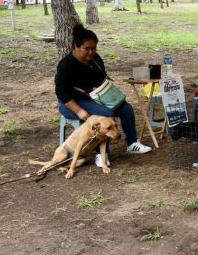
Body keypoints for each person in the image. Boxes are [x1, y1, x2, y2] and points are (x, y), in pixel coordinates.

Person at [55, 24, 152, 166]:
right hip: (72, 103)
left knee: (126, 109)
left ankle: (132, 144)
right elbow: (62, 94)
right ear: (75, 46)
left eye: (94, 48)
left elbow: (101, 80)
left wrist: (112, 96)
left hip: (96, 97)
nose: (91, 52)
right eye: (87, 49)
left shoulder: (95, 59)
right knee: (106, 114)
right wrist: (80, 111)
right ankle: (102, 154)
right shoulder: (65, 65)